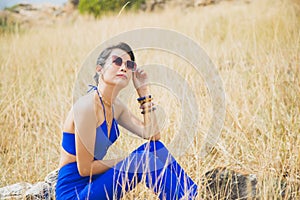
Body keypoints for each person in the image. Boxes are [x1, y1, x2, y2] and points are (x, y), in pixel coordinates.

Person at [55, 42, 198, 200]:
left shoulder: (116, 106)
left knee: (155, 148)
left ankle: (195, 195)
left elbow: (152, 135)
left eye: (129, 64)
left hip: (95, 185)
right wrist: (129, 160)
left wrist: (143, 91)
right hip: (75, 193)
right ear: (99, 69)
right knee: (142, 159)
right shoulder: (86, 107)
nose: (123, 67)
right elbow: (85, 169)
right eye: (117, 62)